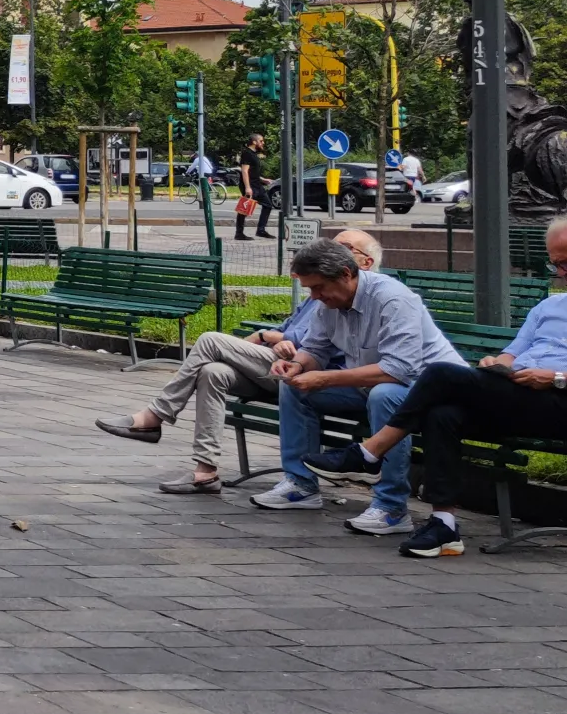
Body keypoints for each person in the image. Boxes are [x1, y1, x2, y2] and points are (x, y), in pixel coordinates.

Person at [317, 215, 567, 558]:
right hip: (521, 394)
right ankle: (444, 524)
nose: (561, 273)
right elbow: (511, 354)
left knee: (440, 373)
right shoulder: (549, 306)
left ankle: (370, 453)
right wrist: (496, 364)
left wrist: (555, 378)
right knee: (442, 414)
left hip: (559, 399)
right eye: (556, 264)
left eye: (566, 263)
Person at [96, 228, 384, 493]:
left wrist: (269, 336)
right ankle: (205, 471)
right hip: (280, 364)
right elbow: (289, 328)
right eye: (334, 244)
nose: (334, 250)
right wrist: (273, 337)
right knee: (212, 372)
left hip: (310, 374)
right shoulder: (319, 292)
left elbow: (311, 341)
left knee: (210, 340)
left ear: (365, 262)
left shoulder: (348, 294)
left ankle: (155, 416)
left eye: (345, 247)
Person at [250, 237, 455, 533]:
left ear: (346, 274)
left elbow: (399, 370)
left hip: (426, 392)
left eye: (319, 287)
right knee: (293, 386)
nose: (315, 296)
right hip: (370, 387)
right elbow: (316, 348)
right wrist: (297, 366)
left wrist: (325, 378)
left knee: (385, 395)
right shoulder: (327, 303)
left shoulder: (392, 299)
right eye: (309, 289)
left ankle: (392, 508)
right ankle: (300, 484)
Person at [234, 132, 270, 241]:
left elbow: (252, 171)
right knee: (244, 209)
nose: (263, 143)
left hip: (257, 184)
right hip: (250, 186)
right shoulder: (247, 153)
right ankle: (239, 233)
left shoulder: (254, 154)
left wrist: (262, 179)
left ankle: (261, 230)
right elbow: (244, 171)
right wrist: (247, 187)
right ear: (254, 142)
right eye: (261, 141)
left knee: (268, 205)